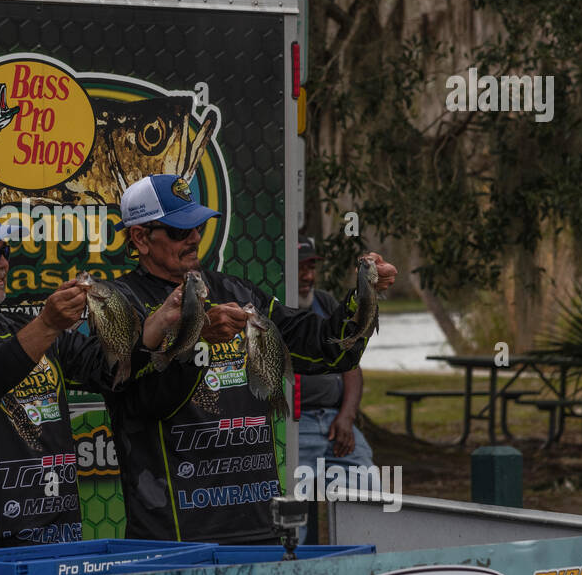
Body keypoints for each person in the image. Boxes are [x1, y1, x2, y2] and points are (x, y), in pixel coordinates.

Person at [105, 174, 397, 544]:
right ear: (140, 238)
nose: (194, 237)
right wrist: (195, 338)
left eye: (197, 226)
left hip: (258, 519)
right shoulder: (119, 303)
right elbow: (136, 394)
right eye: (180, 231)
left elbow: (326, 348)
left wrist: (362, 298)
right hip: (177, 529)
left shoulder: (234, 290)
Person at [0, 199, 195, 552]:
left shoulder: (24, 328)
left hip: (58, 541)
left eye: (4, 252)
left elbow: (108, 369)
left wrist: (160, 322)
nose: (4, 264)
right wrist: (47, 325)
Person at [296, 236, 375, 471]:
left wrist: (347, 417)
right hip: (295, 424)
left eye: (311, 268)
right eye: (300, 268)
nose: (307, 277)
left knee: (367, 487)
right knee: (293, 496)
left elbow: (350, 365)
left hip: (335, 419)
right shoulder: (273, 306)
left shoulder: (324, 302)